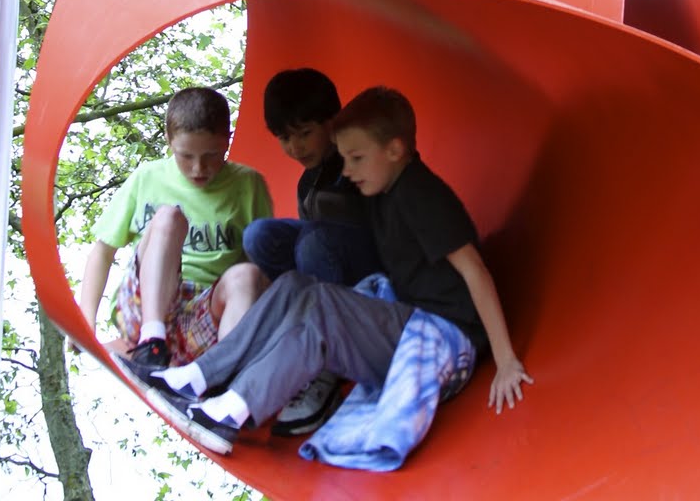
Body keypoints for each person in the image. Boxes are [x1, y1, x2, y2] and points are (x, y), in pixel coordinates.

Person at [144, 86, 532, 455]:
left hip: (445, 342)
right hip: (407, 322)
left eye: (357, 158)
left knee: (322, 302)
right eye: (344, 158)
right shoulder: (384, 190)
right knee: (294, 284)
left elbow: (475, 270)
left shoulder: (420, 194)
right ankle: (198, 376)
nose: (347, 170)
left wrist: (505, 360)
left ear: (395, 150)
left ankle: (232, 410)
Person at [77, 85, 272, 378]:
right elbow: (102, 253)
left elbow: (263, 266)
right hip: (145, 308)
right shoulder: (147, 178)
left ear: (227, 141)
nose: (198, 168)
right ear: (168, 141)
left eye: (211, 155)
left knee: (248, 274)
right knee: (169, 217)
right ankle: (152, 341)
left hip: (205, 318)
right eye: (186, 156)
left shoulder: (248, 185)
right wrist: (85, 320)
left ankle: (219, 373)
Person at [243, 66, 380, 287]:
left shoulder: (360, 163)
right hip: (320, 260)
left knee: (315, 240)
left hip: (369, 266)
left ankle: (326, 306)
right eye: (285, 138)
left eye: (305, 134)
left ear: (332, 122)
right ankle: (296, 295)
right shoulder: (307, 182)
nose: (295, 147)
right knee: (257, 234)